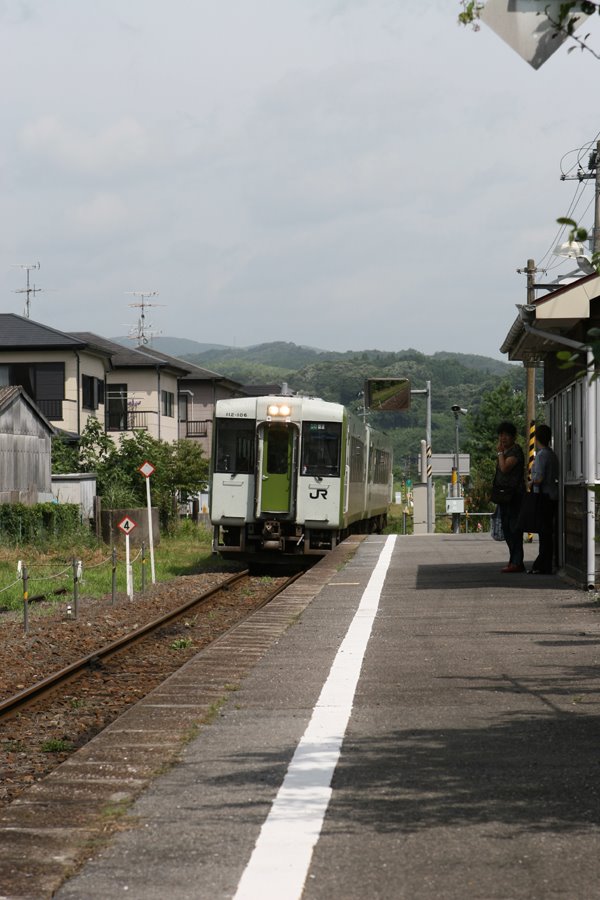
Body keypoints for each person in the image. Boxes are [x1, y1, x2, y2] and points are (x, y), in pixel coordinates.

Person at [493, 421, 525, 573]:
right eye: (501, 435)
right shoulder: (506, 452)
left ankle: (517, 562)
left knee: (514, 528)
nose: (503, 438)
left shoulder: (515, 452)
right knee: (507, 528)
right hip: (504, 496)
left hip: (514, 496)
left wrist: (499, 453)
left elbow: (505, 468)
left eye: (506, 435)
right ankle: (513, 561)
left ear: (513, 437)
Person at [528, 423, 559, 575]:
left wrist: (530, 481)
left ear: (537, 439)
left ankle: (543, 564)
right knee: (548, 531)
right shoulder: (552, 454)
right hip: (553, 495)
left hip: (543, 496)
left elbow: (539, 478)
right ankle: (545, 562)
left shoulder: (541, 456)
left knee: (543, 531)